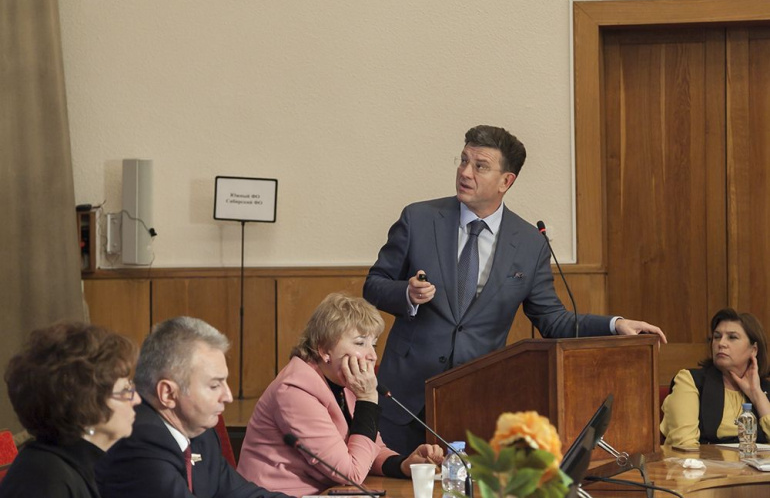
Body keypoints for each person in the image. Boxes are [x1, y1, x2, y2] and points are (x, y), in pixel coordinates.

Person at [363, 124, 668, 454]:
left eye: (480, 166)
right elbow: (374, 285)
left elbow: (553, 320)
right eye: (463, 160)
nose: (465, 172)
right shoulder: (419, 218)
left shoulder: (529, 244)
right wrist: (407, 295)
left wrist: (615, 325)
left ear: (506, 181)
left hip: (474, 402)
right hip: (404, 398)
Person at [237, 293, 443, 497]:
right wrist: (367, 399)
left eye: (373, 344)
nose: (372, 355)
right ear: (325, 350)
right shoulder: (294, 391)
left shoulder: (343, 382)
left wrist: (403, 465)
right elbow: (351, 473)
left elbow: (370, 449)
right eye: (360, 343)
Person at [94, 317, 290, 498]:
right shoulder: (138, 442)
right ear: (168, 393)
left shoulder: (200, 432)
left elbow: (240, 493)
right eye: (214, 385)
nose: (228, 396)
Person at [0, 322, 139, 498]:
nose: (137, 399)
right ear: (85, 404)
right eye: (126, 390)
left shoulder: (87, 465)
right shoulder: (45, 480)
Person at [661, 308, 770, 446]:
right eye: (717, 337)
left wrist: (756, 394)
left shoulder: (765, 389)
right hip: (704, 460)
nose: (721, 343)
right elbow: (684, 445)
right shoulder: (690, 381)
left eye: (732, 337)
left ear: (753, 350)